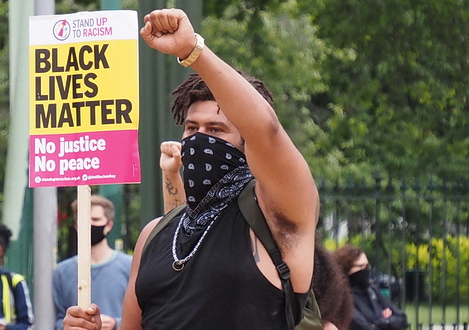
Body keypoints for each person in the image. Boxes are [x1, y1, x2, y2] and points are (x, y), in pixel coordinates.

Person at [64, 8, 319, 329]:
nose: (199, 139)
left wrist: (191, 51)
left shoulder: (279, 214)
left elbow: (265, 130)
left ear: (247, 144)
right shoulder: (154, 235)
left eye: (216, 130)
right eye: (191, 128)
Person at [161, 142, 352, 330]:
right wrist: (171, 174)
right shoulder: (227, 229)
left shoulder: (291, 251)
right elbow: (184, 241)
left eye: (215, 130)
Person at [53, 195, 132, 330]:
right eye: (84, 220)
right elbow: (55, 319)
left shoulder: (130, 266)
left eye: (95, 219)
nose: (89, 225)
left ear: (109, 225)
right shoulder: (61, 272)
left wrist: (116, 323)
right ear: (76, 226)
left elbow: (145, 314)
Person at [332, 244, 408, 330]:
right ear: (347, 268)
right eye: (361, 266)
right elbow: (363, 327)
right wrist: (386, 320)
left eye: (367, 266)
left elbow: (401, 318)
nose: (365, 270)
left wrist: (382, 323)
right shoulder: (342, 298)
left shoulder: (372, 290)